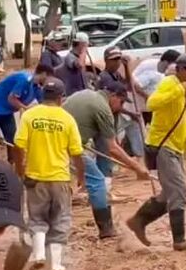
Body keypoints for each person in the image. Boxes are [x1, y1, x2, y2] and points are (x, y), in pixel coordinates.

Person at [125, 53, 186, 252]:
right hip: (162, 146)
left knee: (170, 192)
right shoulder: (170, 83)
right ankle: (179, 240)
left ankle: (139, 220)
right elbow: (152, 103)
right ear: (181, 70)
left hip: (176, 147)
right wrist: (179, 90)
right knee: (179, 190)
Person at [13, 78, 85, 270]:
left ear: (43, 95)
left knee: (37, 218)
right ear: (61, 98)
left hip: (35, 177)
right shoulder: (67, 119)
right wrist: (81, 176)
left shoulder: (29, 115)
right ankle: (55, 264)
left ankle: (38, 255)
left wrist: (21, 169)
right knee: (60, 219)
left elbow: (18, 146)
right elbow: (77, 153)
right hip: (60, 178)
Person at [63, 84, 150, 239]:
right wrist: (137, 167)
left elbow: (100, 140)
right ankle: (106, 229)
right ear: (113, 96)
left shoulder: (85, 94)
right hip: (67, 147)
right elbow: (112, 148)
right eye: (121, 103)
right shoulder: (103, 109)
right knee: (97, 181)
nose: (120, 107)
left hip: (54, 143)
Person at [0, 64, 52, 151]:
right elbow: (11, 99)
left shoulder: (37, 87)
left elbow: (44, 104)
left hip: (7, 112)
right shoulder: (24, 79)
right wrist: (25, 108)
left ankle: (12, 162)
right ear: (44, 74)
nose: (49, 81)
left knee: (12, 140)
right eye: (49, 78)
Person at [99, 46, 144, 160]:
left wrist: (126, 67)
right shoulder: (105, 78)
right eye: (114, 60)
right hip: (107, 113)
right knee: (109, 140)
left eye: (118, 59)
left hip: (116, 112)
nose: (117, 62)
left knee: (120, 134)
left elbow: (129, 85)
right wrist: (130, 114)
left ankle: (132, 155)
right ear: (107, 60)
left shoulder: (116, 75)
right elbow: (111, 104)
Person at [132, 49, 180, 124]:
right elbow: (135, 85)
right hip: (139, 105)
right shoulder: (150, 70)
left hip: (150, 105)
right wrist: (148, 97)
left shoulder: (163, 71)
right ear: (166, 62)